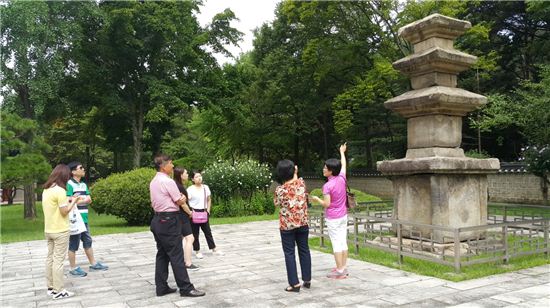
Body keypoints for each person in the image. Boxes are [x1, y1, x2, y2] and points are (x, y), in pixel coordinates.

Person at [149, 154, 205, 297]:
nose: (172, 166)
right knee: (176, 255)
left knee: (162, 254)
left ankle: (161, 287)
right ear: (163, 166)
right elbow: (179, 201)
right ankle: (186, 288)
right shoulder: (168, 182)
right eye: (171, 163)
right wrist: (183, 198)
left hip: (157, 220)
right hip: (169, 221)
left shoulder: (153, 181)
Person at [43, 164, 82, 299]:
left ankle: (51, 287)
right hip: (60, 230)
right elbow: (64, 211)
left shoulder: (47, 190)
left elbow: (56, 207)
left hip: (48, 230)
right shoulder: (59, 191)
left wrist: (70, 200)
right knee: (58, 261)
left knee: (50, 258)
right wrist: (75, 201)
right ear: (64, 176)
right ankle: (59, 290)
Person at [311, 143, 349, 279]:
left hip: (333, 218)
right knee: (343, 241)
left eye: (325, 168)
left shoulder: (327, 186)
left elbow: (326, 204)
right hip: (343, 215)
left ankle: (339, 271)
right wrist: (342, 152)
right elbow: (344, 164)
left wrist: (316, 199)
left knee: (336, 243)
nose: (323, 169)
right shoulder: (342, 178)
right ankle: (343, 267)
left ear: (331, 171)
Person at [274, 160, 312, 292]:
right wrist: (295, 170)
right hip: (302, 222)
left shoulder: (280, 190)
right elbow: (295, 178)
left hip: (287, 225)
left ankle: (294, 283)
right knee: (304, 250)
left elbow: (276, 203)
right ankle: (307, 279)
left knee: (289, 253)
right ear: (294, 171)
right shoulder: (301, 184)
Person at [66, 161, 109, 277]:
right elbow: (69, 200)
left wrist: (79, 199)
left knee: (88, 241)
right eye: (81, 168)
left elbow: (89, 199)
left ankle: (93, 264)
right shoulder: (69, 184)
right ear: (73, 171)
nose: (83, 169)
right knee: (73, 244)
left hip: (84, 218)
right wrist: (80, 200)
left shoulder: (84, 185)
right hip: (75, 220)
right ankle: (72, 268)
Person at [187, 170, 222, 258]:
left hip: (204, 211)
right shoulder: (190, 189)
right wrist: (190, 211)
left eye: (200, 176)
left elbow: (209, 199)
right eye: (196, 177)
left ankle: (214, 248)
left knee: (208, 231)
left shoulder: (205, 187)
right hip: (194, 212)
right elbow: (186, 201)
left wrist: (208, 210)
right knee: (195, 233)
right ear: (192, 179)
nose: (199, 178)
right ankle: (197, 251)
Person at [173, 167, 199, 271]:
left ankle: (180, 260)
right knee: (190, 238)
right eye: (186, 173)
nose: (187, 175)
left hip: (178, 215)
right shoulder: (179, 187)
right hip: (182, 216)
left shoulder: (176, 185)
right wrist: (190, 213)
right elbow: (182, 204)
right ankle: (188, 263)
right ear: (181, 175)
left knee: (181, 238)